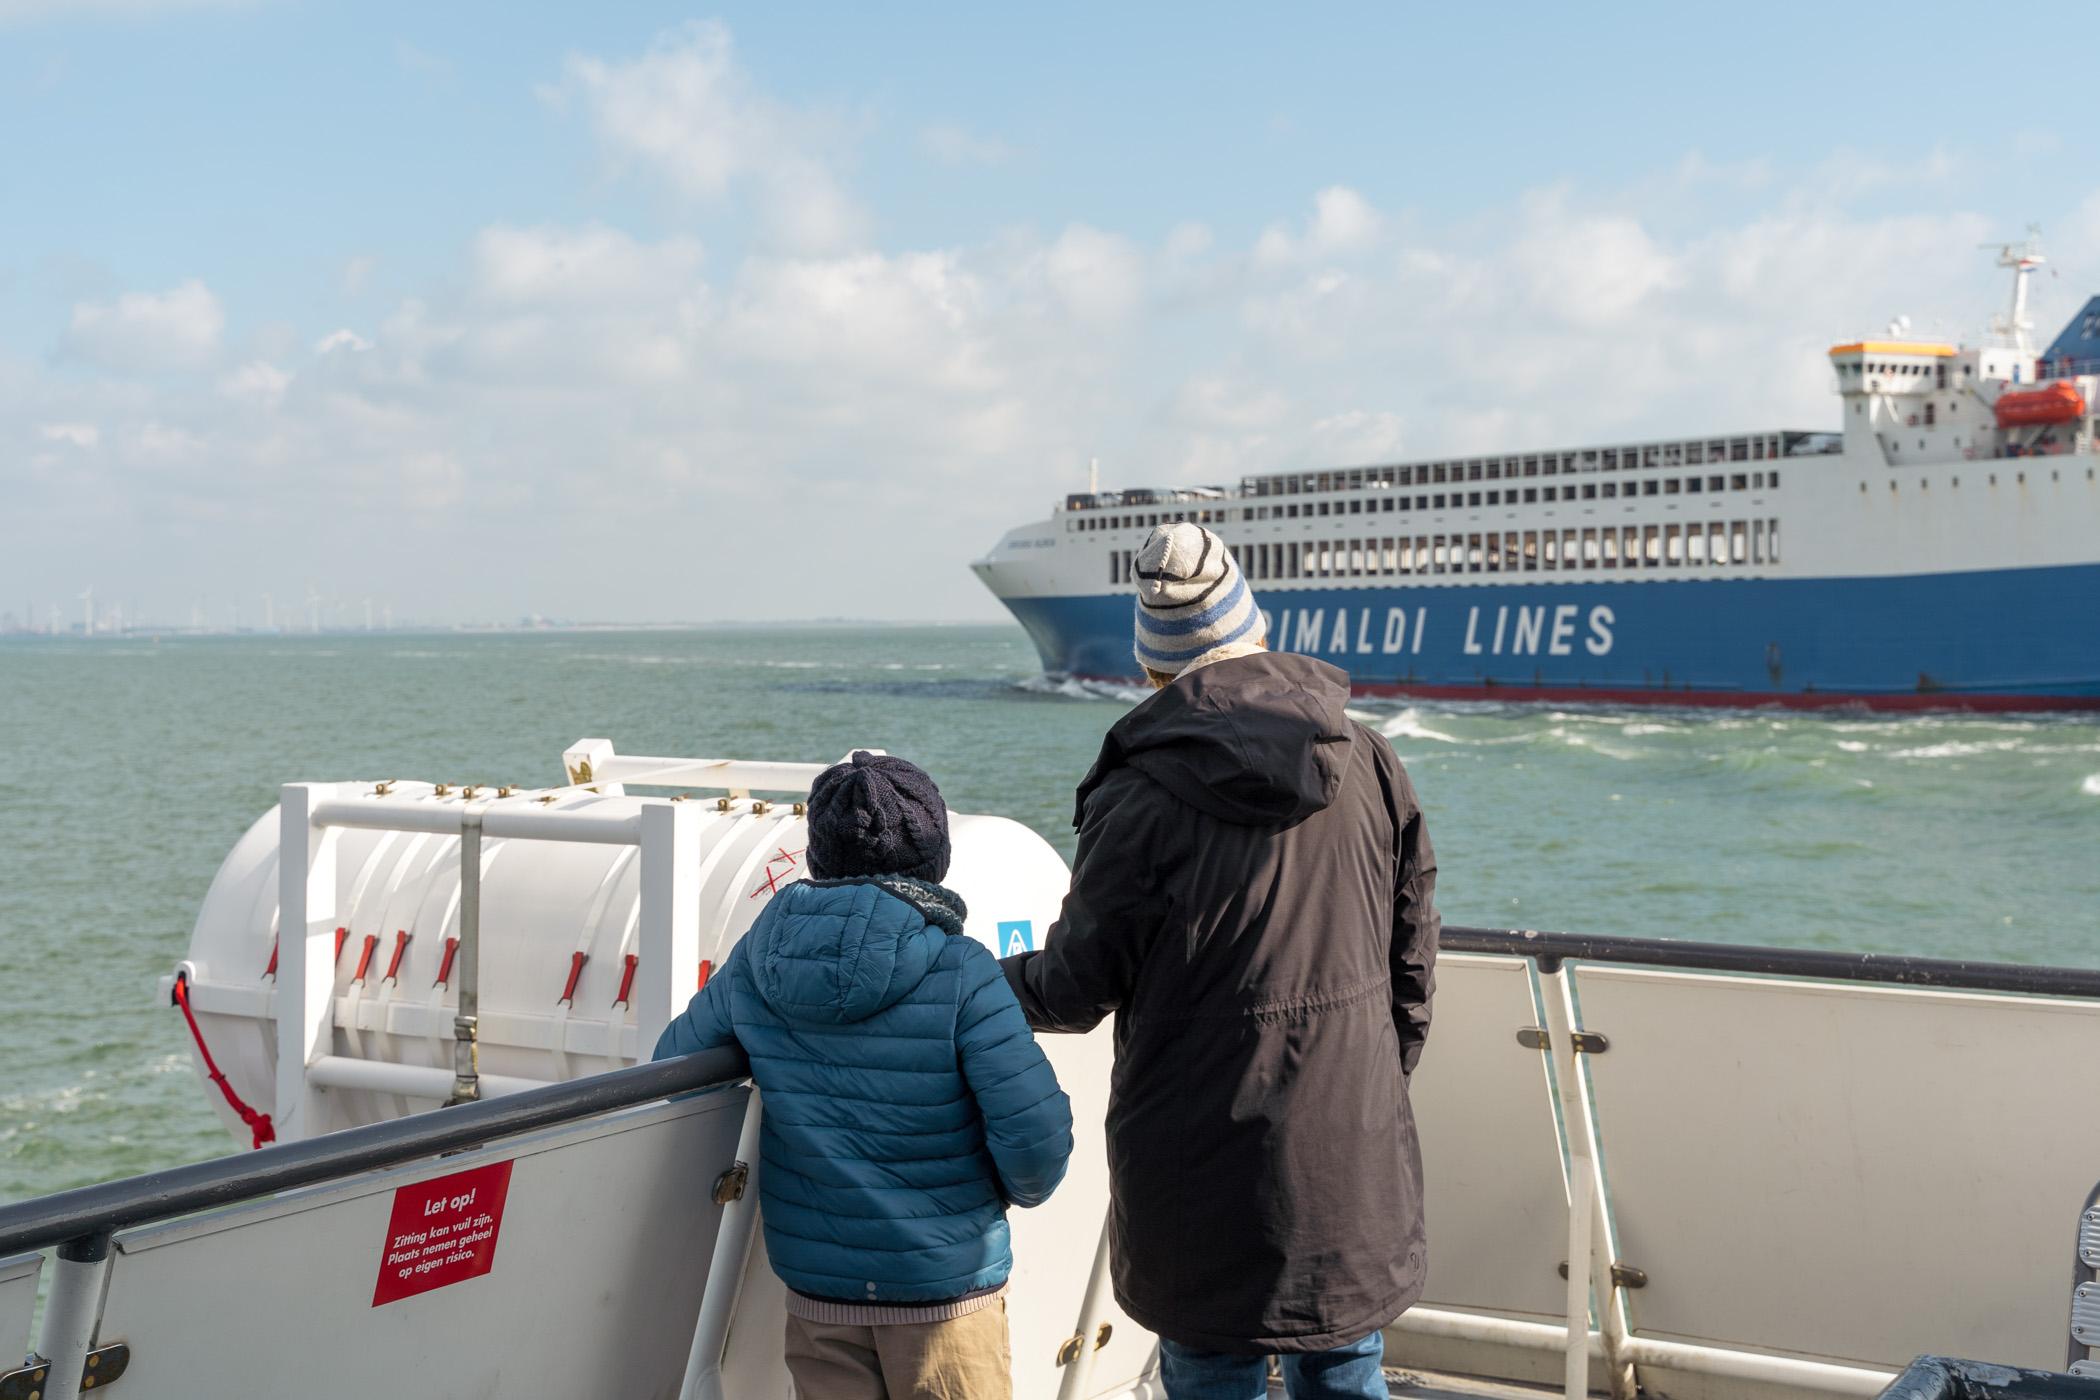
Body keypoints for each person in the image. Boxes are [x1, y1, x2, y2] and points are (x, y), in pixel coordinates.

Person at [1003, 521, 1439, 1400]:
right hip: (1345, 1144)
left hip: (1193, 1167)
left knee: (1209, 1371)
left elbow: (1077, 986)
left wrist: (977, 976)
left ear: (1152, 667)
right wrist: (1375, 1080)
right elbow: (1413, 958)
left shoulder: (1137, 797)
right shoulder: (1368, 760)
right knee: (1345, 1365)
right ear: (1255, 628)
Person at [655, 750, 1074, 1400]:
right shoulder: (962, 970)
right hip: (947, 1292)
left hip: (820, 1296)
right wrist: (992, 1200)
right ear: (934, 857)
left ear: (818, 857)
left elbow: (674, 1067)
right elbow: (1036, 1136)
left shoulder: (757, 960)